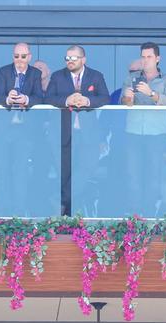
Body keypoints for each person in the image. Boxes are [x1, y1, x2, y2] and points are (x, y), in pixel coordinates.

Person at [44, 44, 109, 215]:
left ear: (83, 59)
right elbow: (49, 98)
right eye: (67, 58)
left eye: (73, 58)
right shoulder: (58, 76)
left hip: (88, 134)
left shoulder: (96, 76)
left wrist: (87, 101)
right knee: (65, 174)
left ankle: (59, 201)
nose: (69, 61)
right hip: (62, 133)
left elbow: (105, 98)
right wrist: (67, 100)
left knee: (86, 169)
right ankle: (69, 216)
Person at [121, 43, 166, 218]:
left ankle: (150, 214)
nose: (145, 60)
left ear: (158, 59)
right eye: (143, 57)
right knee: (133, 173)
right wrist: (128, 98)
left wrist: (151, 93)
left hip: (157, 133)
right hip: (134, 131)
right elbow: (124, 103)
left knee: (154, 173)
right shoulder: (131, 78)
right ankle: (135, 215)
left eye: (149, 57)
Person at [0, 42, 44, 216]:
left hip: (24, 130)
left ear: (29, 57)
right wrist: (8, 98)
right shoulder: (3, 71)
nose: (19, 60)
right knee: (3, 170)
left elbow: (40, 98)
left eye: (23, 56)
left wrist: (26, 99)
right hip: (3, 129)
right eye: (16, 56)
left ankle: (19, 212)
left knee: (20, 171)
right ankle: (2, 213)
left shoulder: (35, 73)